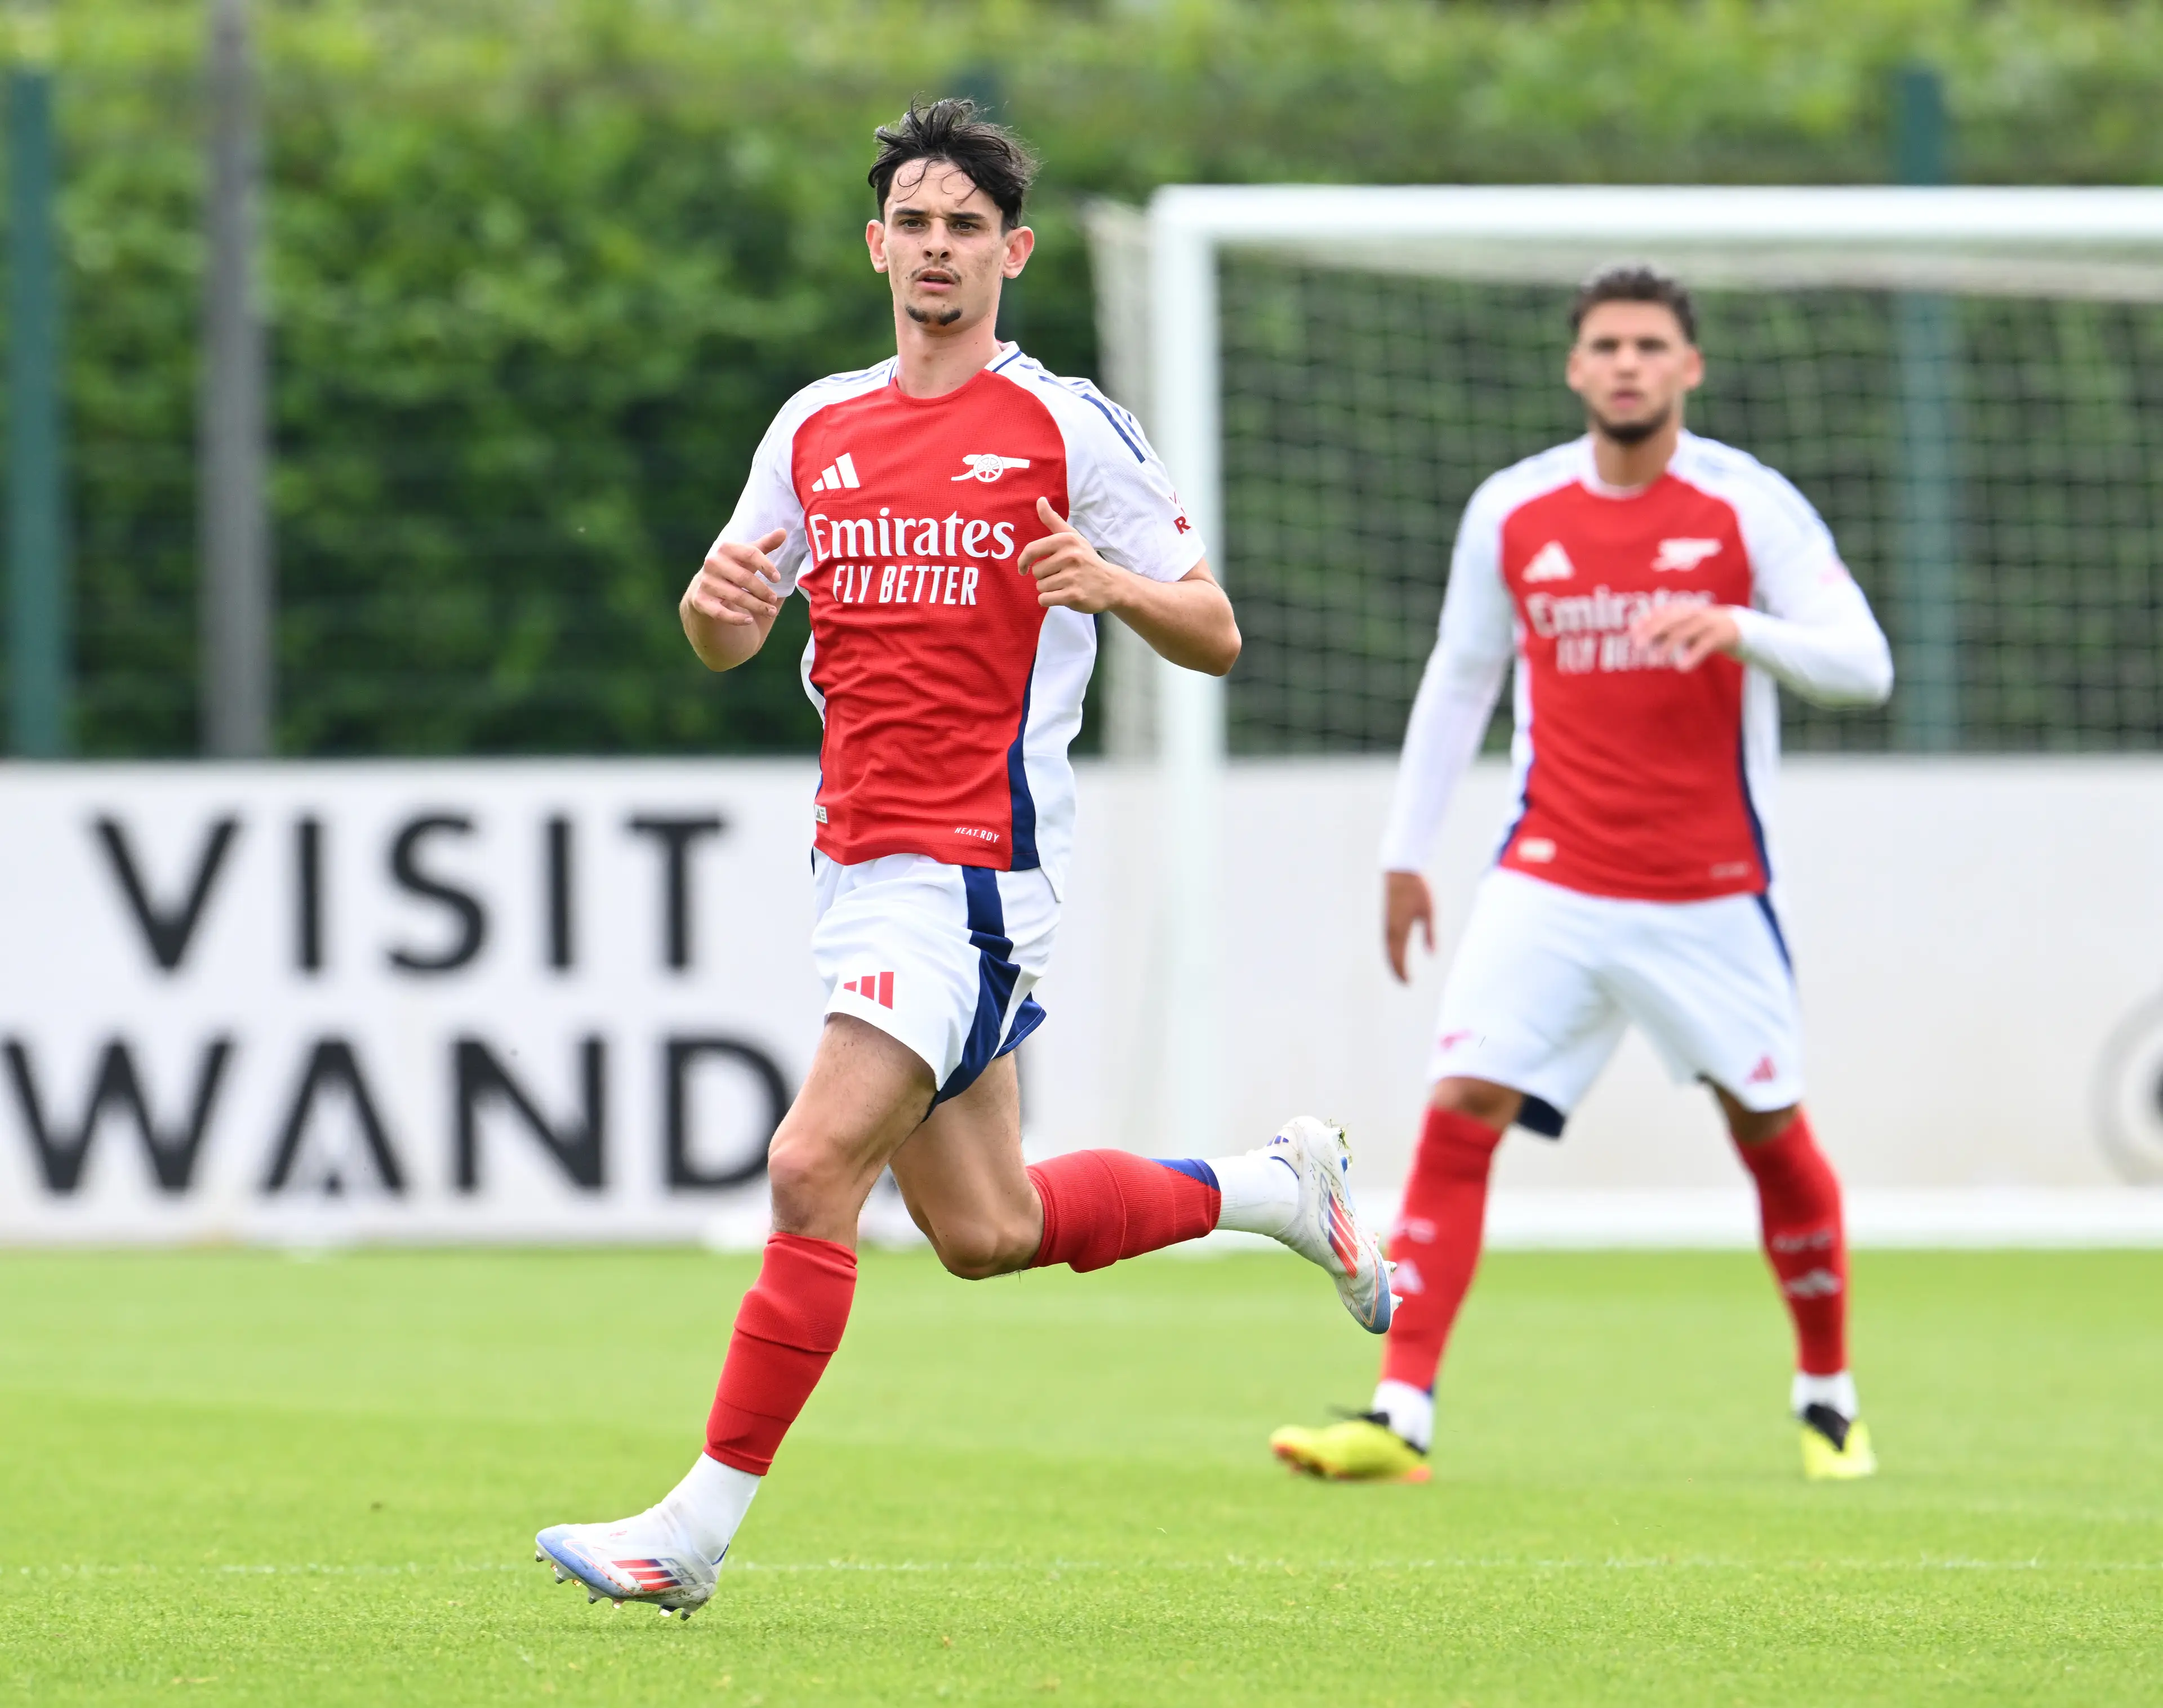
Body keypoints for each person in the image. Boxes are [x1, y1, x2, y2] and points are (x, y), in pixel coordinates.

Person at [534, 99, 1394, 1619]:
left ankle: (693, 1534)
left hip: (976, 871)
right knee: (986, 1231)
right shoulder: (816, 424)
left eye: (966, 228)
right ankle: (1272, 1188)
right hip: (854, 862)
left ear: (1014, 252)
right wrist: (715, 603)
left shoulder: (1064, 423)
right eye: (914, 225)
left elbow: (1216, 629)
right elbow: (727, 631)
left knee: (810, 1169)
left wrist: (1110, 581)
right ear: (879, 247)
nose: (938, 250)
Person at [1269, 264, 1893, 1487]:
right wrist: (1404, 851)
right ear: (1574, 368)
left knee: (1770, 1132)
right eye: (1605, 344)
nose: (1626, 364)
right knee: (1461, 1110)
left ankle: (1829, 1401)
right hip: (1548, 876)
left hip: (1713, 891)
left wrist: (1740, 628)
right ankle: (1402, 1416)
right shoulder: (1515, 508)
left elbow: (1865, 664)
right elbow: (1461, 680)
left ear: (1689, 369)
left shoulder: (1747, 507)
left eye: (1650, 346)